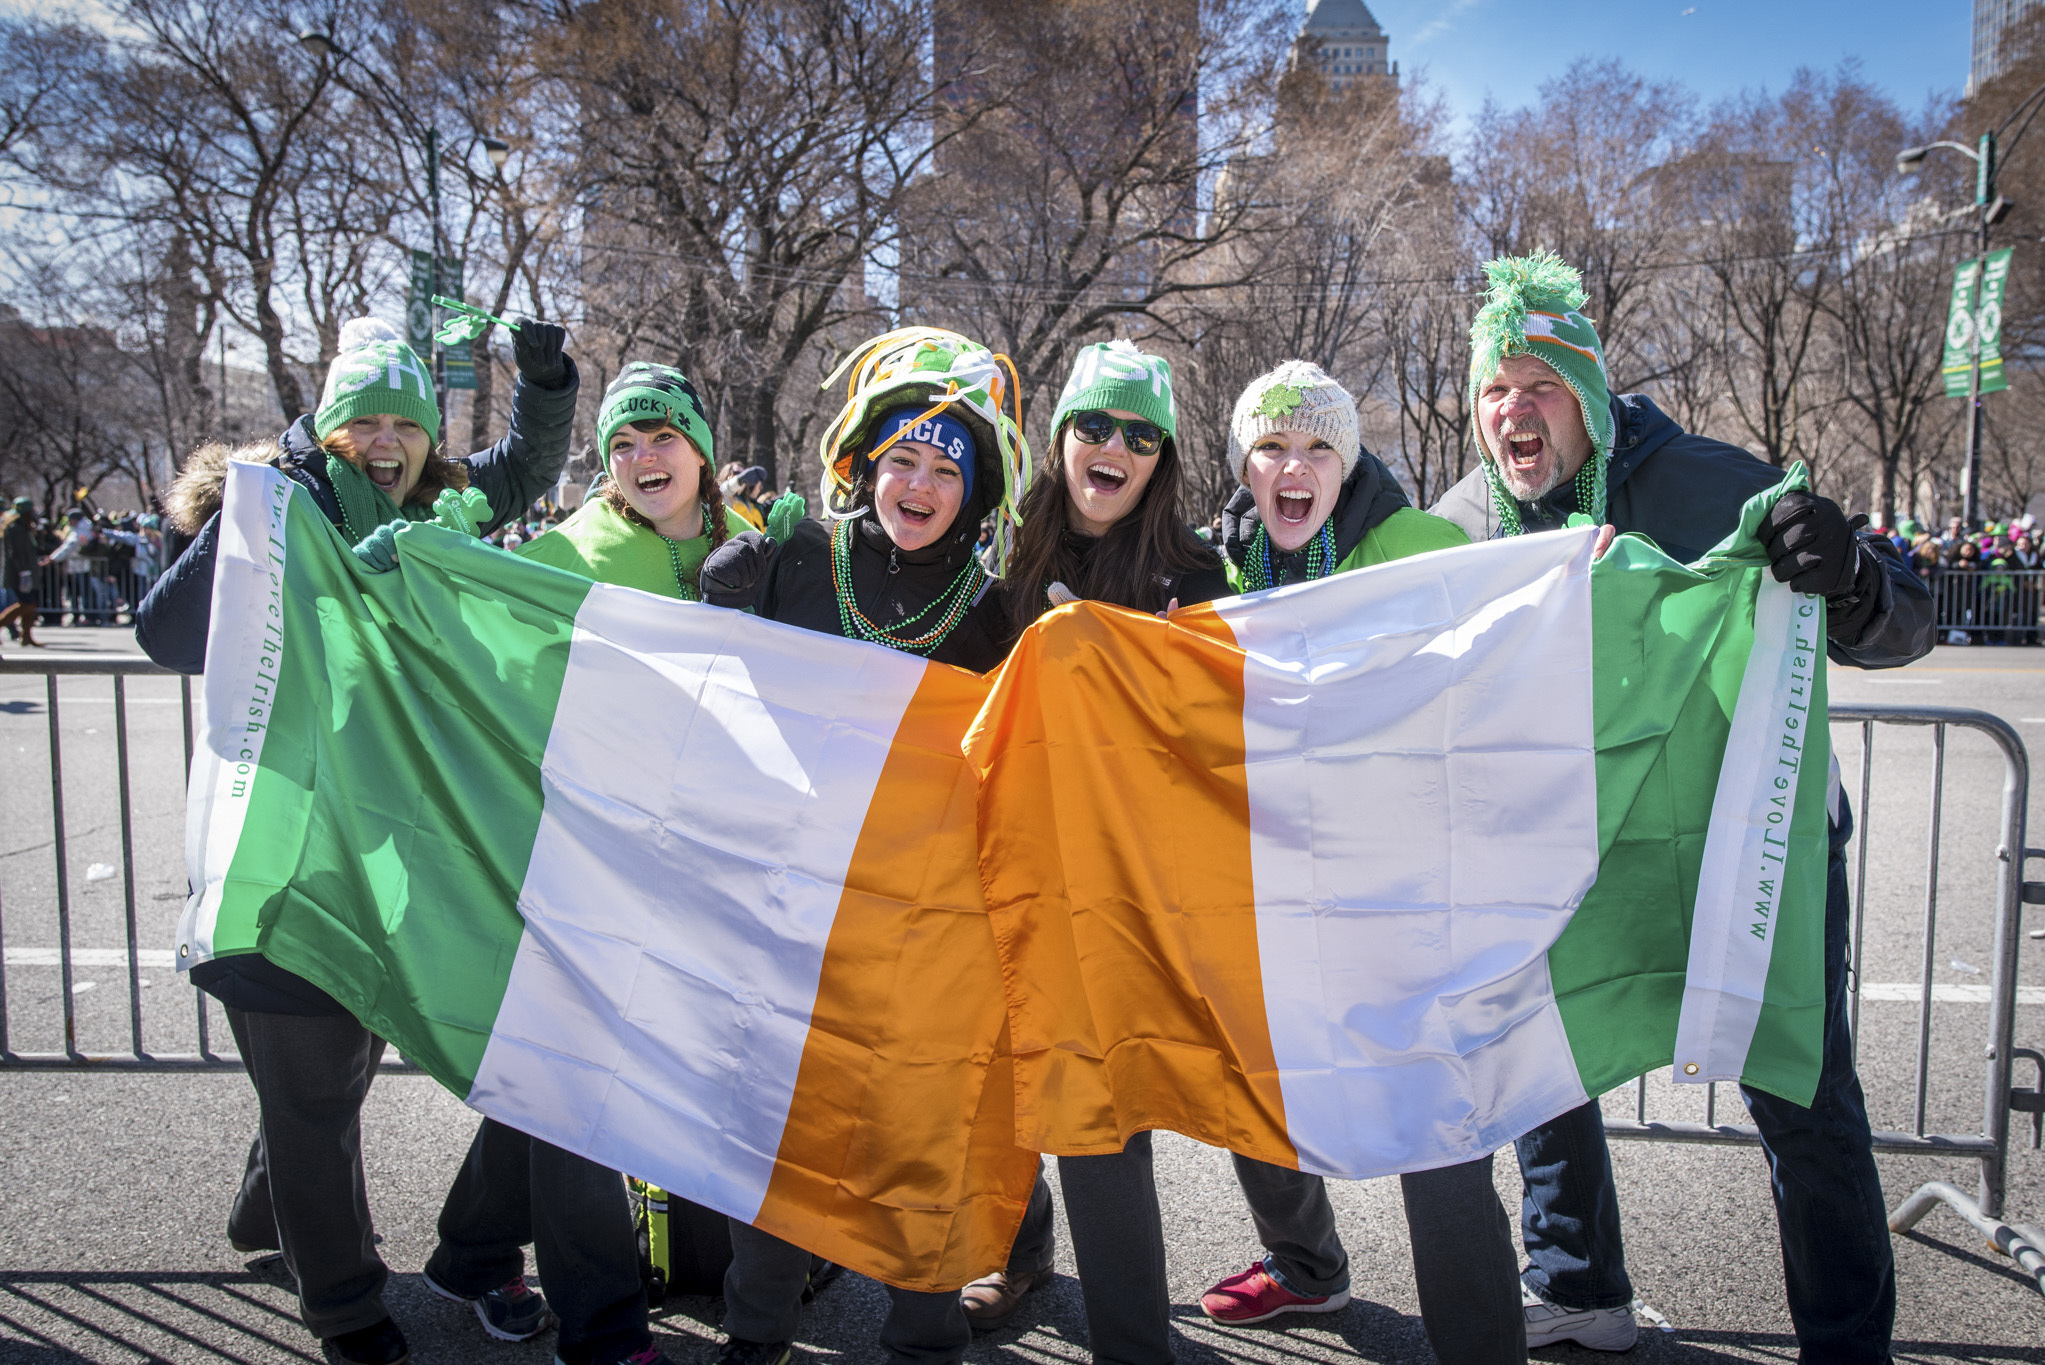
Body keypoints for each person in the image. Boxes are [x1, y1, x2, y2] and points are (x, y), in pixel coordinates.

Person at [1428, 252, 1934, 1360]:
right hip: (1564, 846)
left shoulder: (1704, 481)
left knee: (1797, 1087)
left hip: (1734, 843)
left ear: (1592, 398)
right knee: (1537, 1062)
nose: (1513, 408)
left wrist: (1848, 575)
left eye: (1542, 384)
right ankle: (1575, 1287)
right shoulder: (1461, 518)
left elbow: (1905, 616)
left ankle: (1848, 1345)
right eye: (1493, 390)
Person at [136, 315, 590, 1365]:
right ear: (321, 426)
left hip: (383, 847)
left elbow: (521, 466)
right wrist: (268, 500)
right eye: (360, 423)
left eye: (405, 423)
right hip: (281, 847)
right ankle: (341, 1304)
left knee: (325, 1075)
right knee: (311, 1083)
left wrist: (546, 380)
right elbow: (162, 635)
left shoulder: (428, 499)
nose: (384, 442)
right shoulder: (265, 503)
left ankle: (268, 1216)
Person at [697, 326, 1032, 1365]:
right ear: (862, 466)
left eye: (945, 467)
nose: (919, 483)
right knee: (775, 1149)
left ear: (973, 496)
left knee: (917, 1154)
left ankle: (923, 1346)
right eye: (901, 458)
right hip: (789, 921)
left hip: (924, 943)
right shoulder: (789, 561)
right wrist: (722, 582)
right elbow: (689, 683)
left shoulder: (994, 616)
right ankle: (752, 1343)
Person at [1196, 362, 1529, 1362]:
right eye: (1270, 449)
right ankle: (1306, 1270)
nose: (1291, 468)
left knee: (1432, 1113)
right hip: (1268, 877)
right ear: (1244, 466)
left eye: (1314, 450)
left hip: (1397, 885)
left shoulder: (1417, 548)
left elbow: (1500, 675)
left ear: (1345, 464)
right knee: (1246, 1079)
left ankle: (1477, 1342)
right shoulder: (1223, 561)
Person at [956, 339, 1226, 1365]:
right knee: (995, 1075)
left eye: (1139, 434)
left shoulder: (1193, 569)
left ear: (1159, 459)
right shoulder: (1001, 544)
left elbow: (1215, 721)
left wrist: (1126, 664)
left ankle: (1130, 1341)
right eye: (1095, 426)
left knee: (1098, 1113)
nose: (1113, 447)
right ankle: (1015, 1256)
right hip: (998, 850)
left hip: (1116, 882)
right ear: (1061, 437)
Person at [519, 362, 750, 598]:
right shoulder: (569, 553)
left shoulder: (752, 546)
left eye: (662, 436)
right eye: (623, 444)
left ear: (699, 451)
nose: (642, 457)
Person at [0, 496, 43, 647]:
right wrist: (23, 572)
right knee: (26, 604)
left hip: (27, 571)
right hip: (19, 574)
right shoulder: (15, 527)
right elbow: (16, 553)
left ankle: (26, 636)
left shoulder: (24, 526)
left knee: (31, 603)